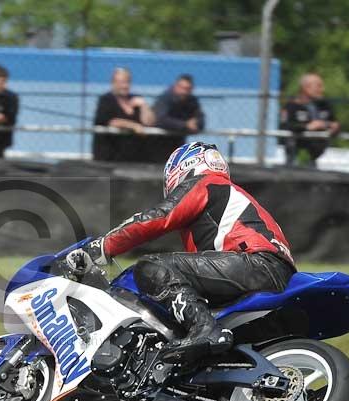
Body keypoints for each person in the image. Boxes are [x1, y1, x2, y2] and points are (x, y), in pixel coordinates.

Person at [67, 142, 295, 365]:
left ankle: (204, 329)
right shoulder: (227, 196)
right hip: (269, 270)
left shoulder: (206, 182)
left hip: (254, 263)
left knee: (153, 267)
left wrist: (101, 247)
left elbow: (159, 217)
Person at [92, 68, 156, 162]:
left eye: (127, 82)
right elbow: (110, 122)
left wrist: (144, 105)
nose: (125, 86)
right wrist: (133, 126)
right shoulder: (106, 100)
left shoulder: (135, 99)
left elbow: (149, 122)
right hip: (110, 157)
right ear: (113, 83)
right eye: (121, 82)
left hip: (135, 158)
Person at [280, 73, 340, 166]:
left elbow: (334, 124)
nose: (322, 89)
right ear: (306, 87)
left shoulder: (324, 105)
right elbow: (286, 125)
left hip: (318, 154)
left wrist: (329, 126)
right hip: (297, 153)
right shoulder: (292, 106)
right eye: (318, 86)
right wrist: (307, 127)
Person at [149, 74, 205, 163]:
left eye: (187, 89)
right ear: (175, 86)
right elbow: (160, 119)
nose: (184, 92)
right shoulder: (165, 99)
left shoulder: (192, 101)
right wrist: (185, 124)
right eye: (182, 88)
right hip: (157, 143)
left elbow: (200, 120)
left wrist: (195, 124)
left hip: (178, 144)